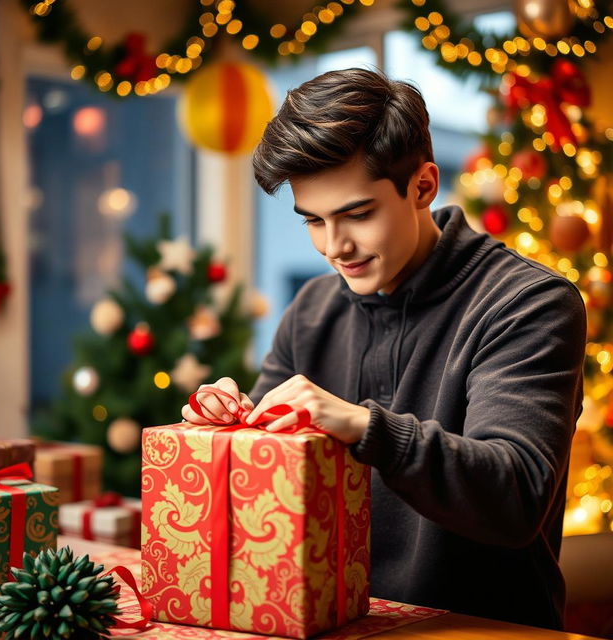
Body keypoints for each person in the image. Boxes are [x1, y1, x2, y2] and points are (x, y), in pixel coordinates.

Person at [181, 68, 586, 630]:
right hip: (326, 619)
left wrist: (364, 427)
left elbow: (515, 494)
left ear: (422, 186)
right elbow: (265, 484)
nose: (334, 246)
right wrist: (230, 427)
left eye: (357, 214)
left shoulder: (529, 303)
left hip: (483, 628)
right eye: (314, 222)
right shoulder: (312, 310)